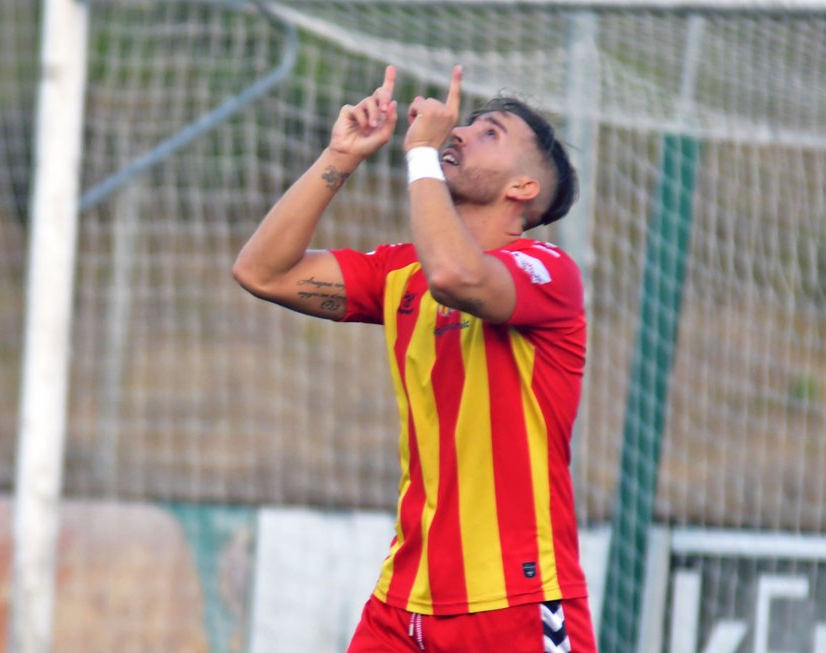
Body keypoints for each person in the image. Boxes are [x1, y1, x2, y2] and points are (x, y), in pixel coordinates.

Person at [233, 64, 594, 653]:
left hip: (516, 601)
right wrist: (341, 155)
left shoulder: (549, 272)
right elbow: (261, 270)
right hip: (403, 603)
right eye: (467, 125)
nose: (460, 132)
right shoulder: (402, 273)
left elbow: (458, 276)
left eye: (490, 133)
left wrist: (421, 156)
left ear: (522, 189)